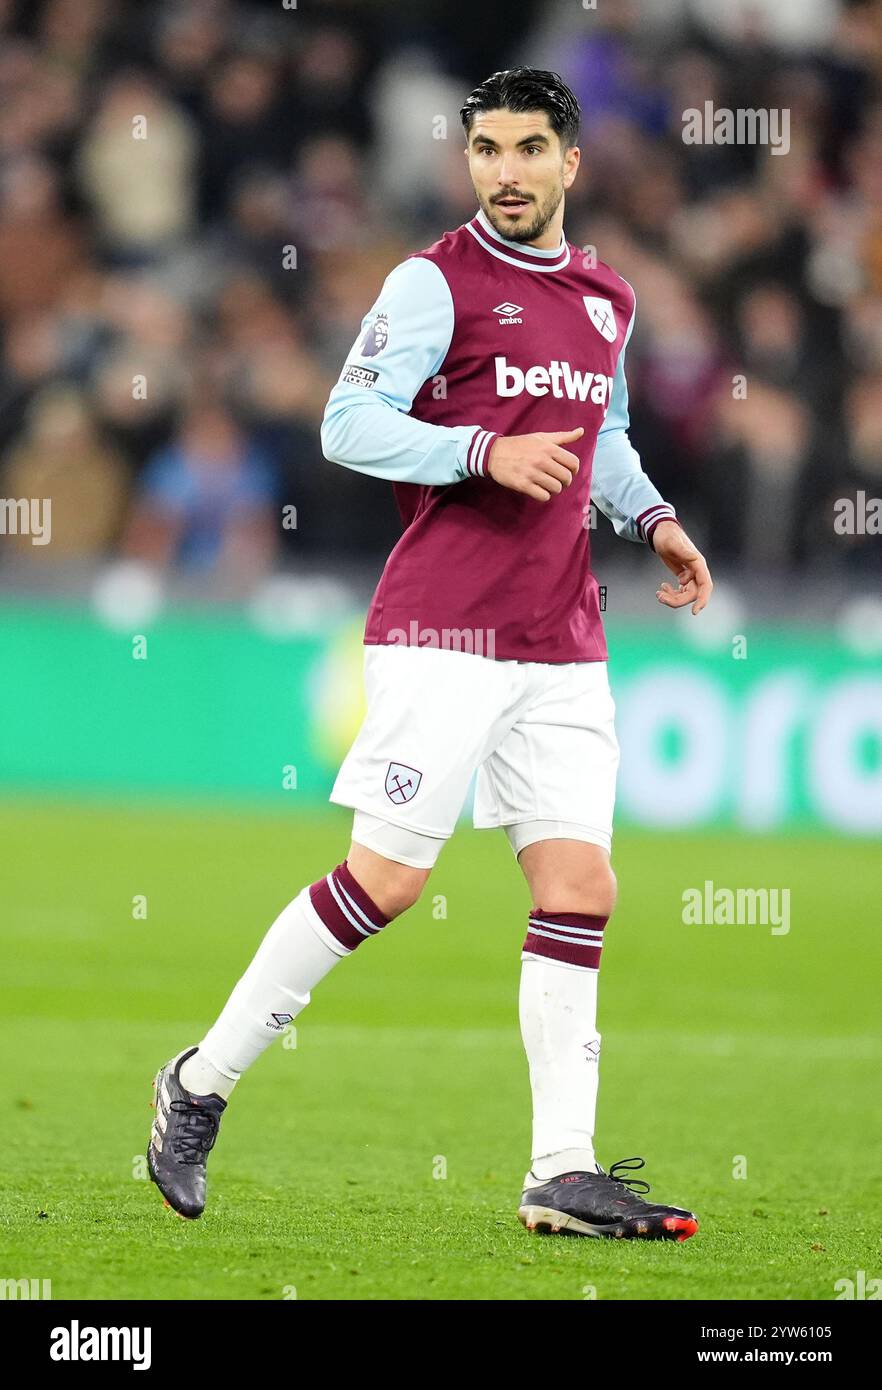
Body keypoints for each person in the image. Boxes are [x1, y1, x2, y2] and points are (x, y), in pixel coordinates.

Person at [148, 67, 713, 1240]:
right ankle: (199, 1083)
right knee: (387, 884)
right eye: (486, 151)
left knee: (578, 889)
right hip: (444, 627)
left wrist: (654, 519)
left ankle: (561, 1168)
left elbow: (600, 436)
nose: (504, 172)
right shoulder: (433, 281)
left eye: (527, 150)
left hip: (562, 636)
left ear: (572, 163)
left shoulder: (608, 298)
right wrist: (481, 455)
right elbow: (346, 422)